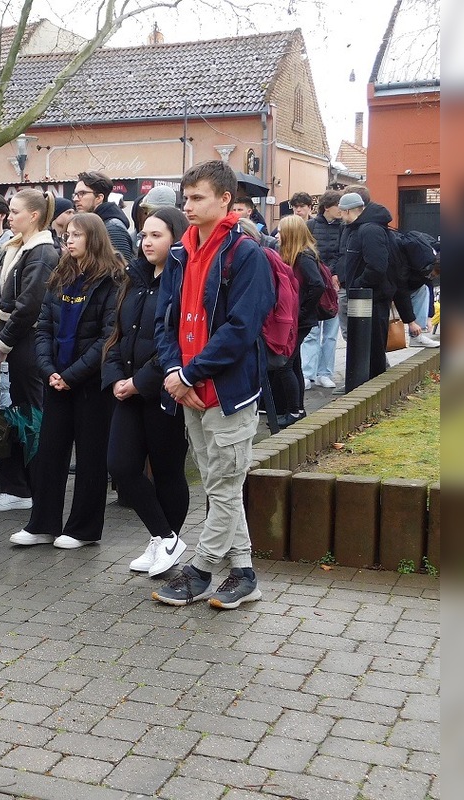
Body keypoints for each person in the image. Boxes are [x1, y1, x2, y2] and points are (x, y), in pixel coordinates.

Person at [153, 160, 274, 609]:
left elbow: (241, 329)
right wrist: (173, 372)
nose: (188, 206)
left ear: (226, 200)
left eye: (197, 197)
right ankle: (243, 573)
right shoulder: (182, 253)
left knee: (223, 486)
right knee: (220, 484)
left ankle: (201, 569)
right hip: (189, 389)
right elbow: (164, 319)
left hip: (227, 391)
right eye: (185, 198)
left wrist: (189, 373)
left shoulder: (247, 255)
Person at [9, 213, 122, 548]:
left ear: (94, 238)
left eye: (76, 235)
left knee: (90, 457)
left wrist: (72, 375)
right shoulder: (61, 274)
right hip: (55, 377)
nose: (68, 240)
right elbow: (43, 326)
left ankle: (83, 530)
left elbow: (108, 337)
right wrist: (48, 369)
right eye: (67, 235)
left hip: (89, 384)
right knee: (49, 453)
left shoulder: (112, 280)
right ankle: (43, 524)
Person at [103, 206, 192, 577]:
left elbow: (177, 341)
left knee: (168, 470)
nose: (147, 241)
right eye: (144, 235)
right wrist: (116, 379)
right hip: (126, 389)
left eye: (157, 235)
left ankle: (165, 542)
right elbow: (115, 333)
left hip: (163, 390)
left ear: (175, 238)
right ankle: (164, 536)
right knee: (121, 466)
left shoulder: (182, 278)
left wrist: (142, 381)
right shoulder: (133, 277)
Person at [0, 189, 60, 513]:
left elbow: (29, 306)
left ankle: (26, 487)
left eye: (14, 212)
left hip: (23, 345)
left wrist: (2, 344)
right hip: (14, 341)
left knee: (27, 413)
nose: (9, 216)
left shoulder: (41, 252)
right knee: (13, 411)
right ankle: (17, 486)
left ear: (34, 216)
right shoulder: (18, 248)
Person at [337, 192, 422, 379]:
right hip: (366, 297)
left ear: (348, 211)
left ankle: (370, 386)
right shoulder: (360, 229)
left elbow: (377, 265)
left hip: (371, 299)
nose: (340, 216)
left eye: (341, 212)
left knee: (372, 349)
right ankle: (360, 382)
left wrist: (358, 286)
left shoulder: (369, 230)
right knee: (363, 348)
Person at [270, 215, 324, 428]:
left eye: (281, 231)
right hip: (299, 319)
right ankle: (298, 409)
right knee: (295, 364)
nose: (277, 235)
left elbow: (317, 285)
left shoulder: (303, 257)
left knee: (285, 365)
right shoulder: (300, 255)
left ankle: (294, 410)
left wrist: (301, 312)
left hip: (300, 320)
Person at [301, 190, 344, 390]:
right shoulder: (310, 225)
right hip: (315, 281)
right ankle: (307, 373)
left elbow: (344, 253)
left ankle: (324, 372)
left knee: (330, 333)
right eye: (338, 205)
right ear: (327, 207)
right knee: (311, 331)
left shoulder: (344, 228)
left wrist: (336, 274)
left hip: (333, 283)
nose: (342, 210)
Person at [73, 170, 134, 260]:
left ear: (99, 198)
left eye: (82, 193)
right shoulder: (91, 225)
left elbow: (122, 269)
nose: (75, 199)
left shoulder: (113, 228)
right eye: (75, 194)